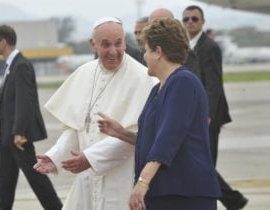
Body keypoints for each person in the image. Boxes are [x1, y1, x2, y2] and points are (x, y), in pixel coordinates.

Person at [98, 18, 221, 210]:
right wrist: (121, 133)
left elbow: (169, 137)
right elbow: (155, 138)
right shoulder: (158, 89)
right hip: (164, 192)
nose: (144, 55)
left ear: (158, 52)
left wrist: (143, 182)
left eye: (146, 50)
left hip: (183, 194)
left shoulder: (183, 82)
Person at [33, 17, 155, 210]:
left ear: (125, 41)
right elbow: (77, 128)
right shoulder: (84, 73)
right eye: (105, 45)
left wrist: (90, 158)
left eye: (118, 43)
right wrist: (55, 156)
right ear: (93, 44)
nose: (113, 51)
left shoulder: (143, 78)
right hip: (87, 179)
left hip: (121, 178)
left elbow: (135, 137)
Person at [182, 5, 248, 210]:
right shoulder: (183, 46)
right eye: (186, 19)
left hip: (208, 117)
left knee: (204, 165)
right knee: (201, 165)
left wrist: (207, 113)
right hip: (192, 115)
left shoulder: (209, 47)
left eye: (194, 18)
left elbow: (213, 84)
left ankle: (231, 200)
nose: (190, 22)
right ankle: (233, 200)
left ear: (202, 22)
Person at [0, 25, 62, 210]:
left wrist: (19, 132)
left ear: (4, 42)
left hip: (17, 138)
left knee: (37, 179)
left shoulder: (21, 66)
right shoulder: (11, 66)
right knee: (5, 187)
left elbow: (24, 100)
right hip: (6, 139)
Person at [148, 8, 201, 79]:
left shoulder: (185, 54)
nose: (158, 29)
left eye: (163, 25)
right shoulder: (144, 53)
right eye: (154, 25)